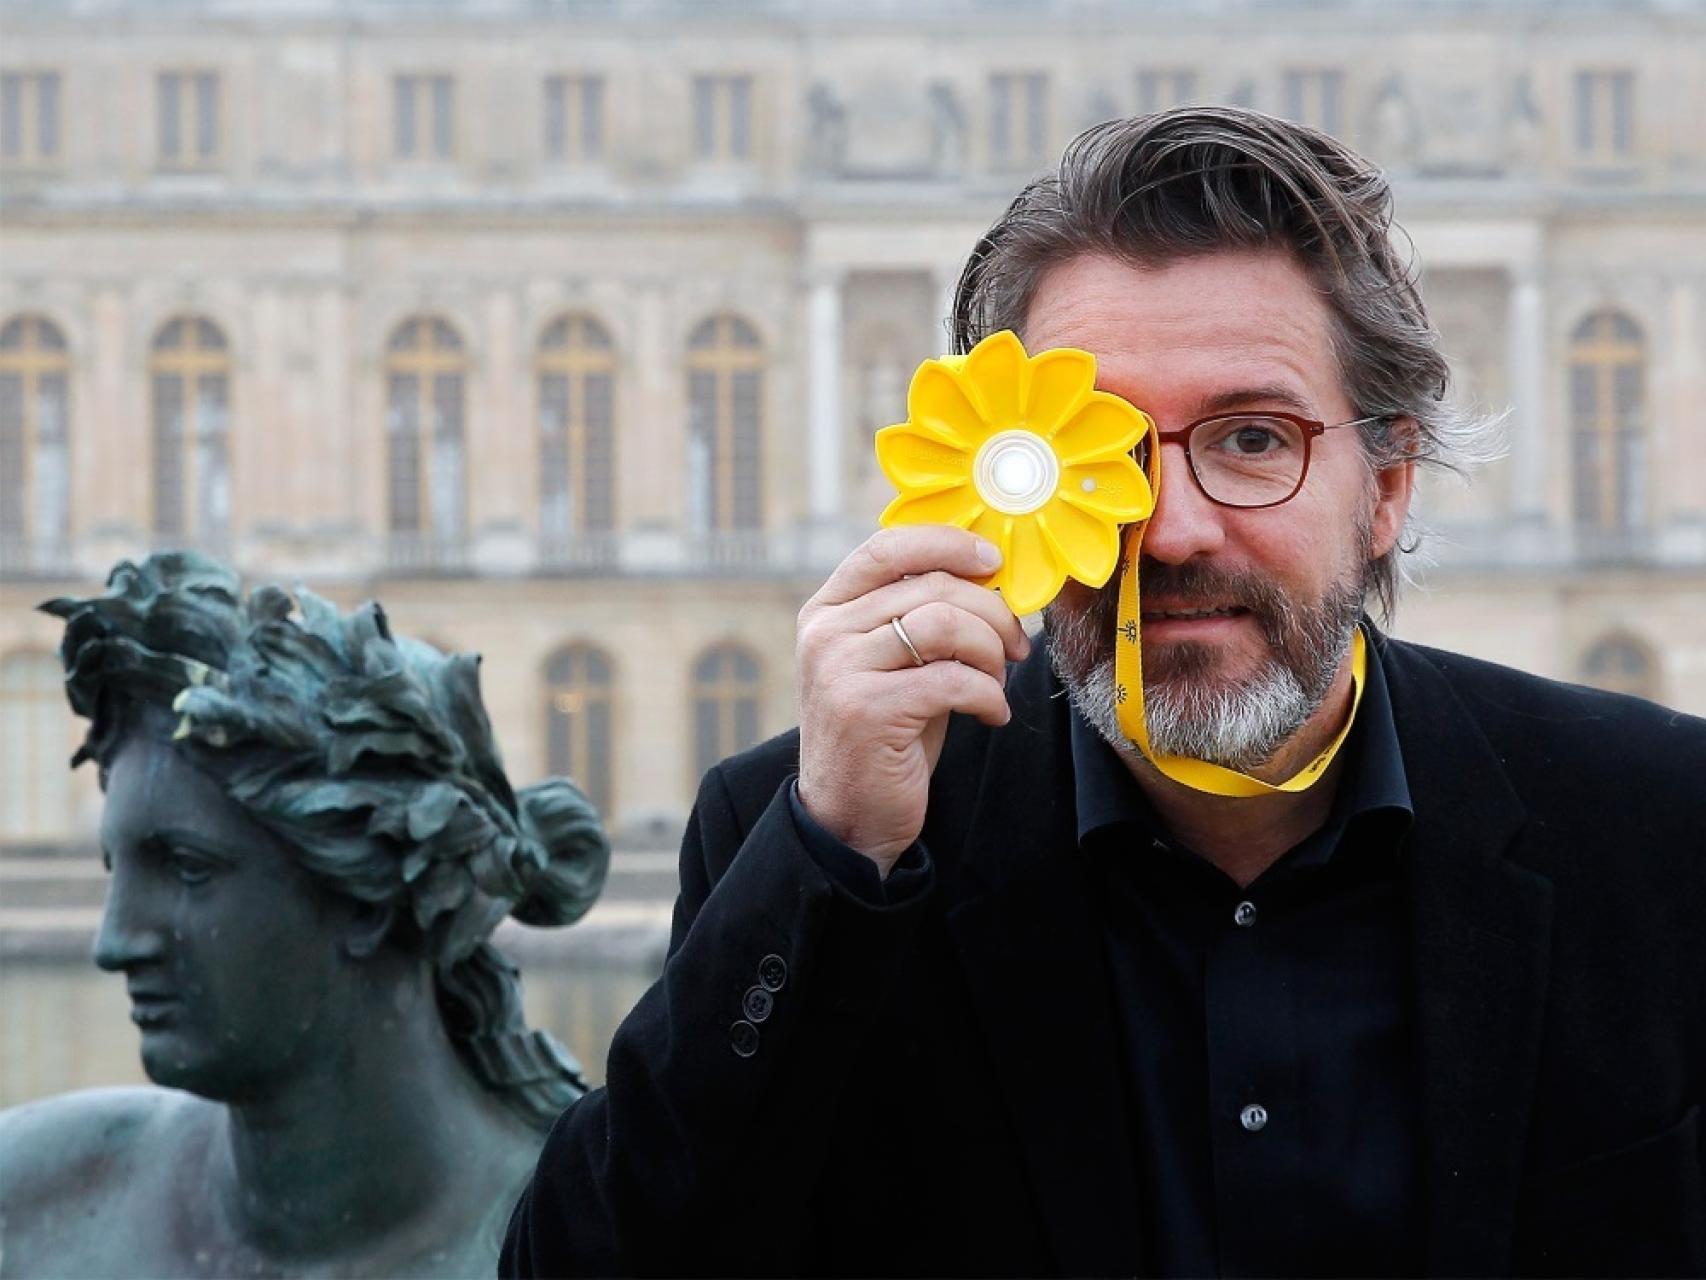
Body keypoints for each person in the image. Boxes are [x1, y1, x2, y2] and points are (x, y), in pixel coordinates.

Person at [501, 107, 1706, 1276]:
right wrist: (830, 861)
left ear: (1385, 487)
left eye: (1250, 438)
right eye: (1102, 453)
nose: (1170, 529)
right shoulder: (816, 836)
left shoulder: (1654, 824)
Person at [0, 552, 609, 1278]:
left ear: (366, 893)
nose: (113, 941)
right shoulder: (31, 1197)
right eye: (116, 868)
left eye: (188, 867)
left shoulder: (610, 1244)